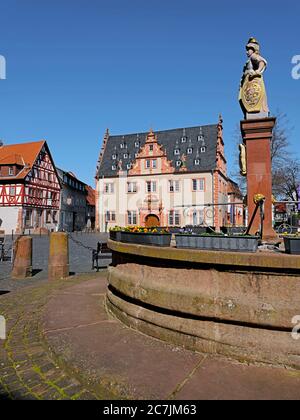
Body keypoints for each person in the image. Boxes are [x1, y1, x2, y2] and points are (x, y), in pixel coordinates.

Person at [239, 38, 269, 119]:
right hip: (246, 84)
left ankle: (254, 112)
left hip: (252, 83)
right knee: (241, 99)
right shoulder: (250, 59)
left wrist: (257, 71)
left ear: (253, 49)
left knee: (245, 99)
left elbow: (262, 61)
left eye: (248, 50)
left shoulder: (253, 56)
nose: (246, 52)